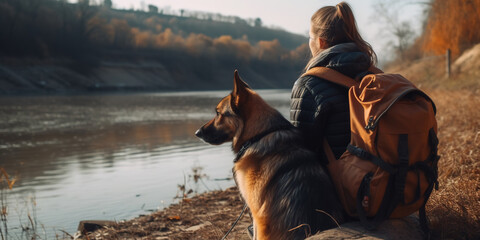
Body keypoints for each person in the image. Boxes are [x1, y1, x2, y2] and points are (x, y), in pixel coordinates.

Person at [290, 2, 377, 165]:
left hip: (335, 186)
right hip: (382, 179)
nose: (309, 42)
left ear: (321, 42)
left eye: (310, 37)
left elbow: (300, 153)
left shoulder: (308, 85)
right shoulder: (374, 74)